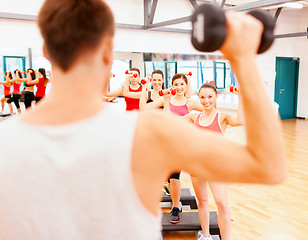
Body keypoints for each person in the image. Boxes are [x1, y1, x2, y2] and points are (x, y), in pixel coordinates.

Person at [0, 1, 287, 240]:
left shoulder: (4, 142)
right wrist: (243, 58)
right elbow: (269, 166)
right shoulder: (150, 133)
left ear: (47, 52)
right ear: (109, 51)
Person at [185, 83, 242, 240]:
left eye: (210, 96)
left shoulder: (222, 117)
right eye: (202, 97)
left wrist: (240, 97)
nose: (206, 100)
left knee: (222, 203)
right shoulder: (194, 116)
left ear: (216, 96)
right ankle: (206, 235)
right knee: (202, 201)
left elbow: (241, 120)